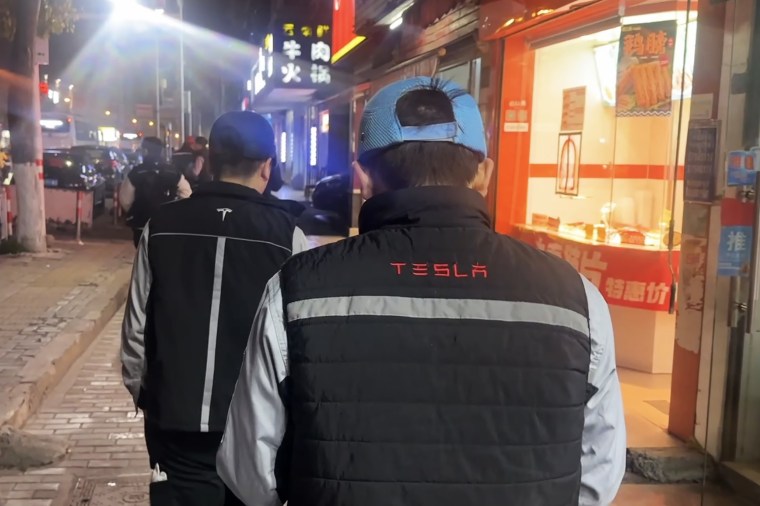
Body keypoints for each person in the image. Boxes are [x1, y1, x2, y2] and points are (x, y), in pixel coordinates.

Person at [217, 77, 627, 506]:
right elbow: (598, 477)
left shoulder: (297, 290)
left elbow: (250, 473)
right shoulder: (574, 299)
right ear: (484, 174)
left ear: (364, 179)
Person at [121, 111, 309, 505]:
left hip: (175, 424)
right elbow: (300, 340)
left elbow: (136, 330)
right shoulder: (288, 236)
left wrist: (149, 397)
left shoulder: (162, 225)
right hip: (257, 428)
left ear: (207, 160)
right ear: (267, 166)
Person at [120, 137, 192, 247]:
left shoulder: (136, 173)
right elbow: (187, 194)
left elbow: (125, 200)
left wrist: (137, 210)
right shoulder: (173, 172)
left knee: (143, 258)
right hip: (167, 224)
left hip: (141, 224)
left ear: (145, 151)